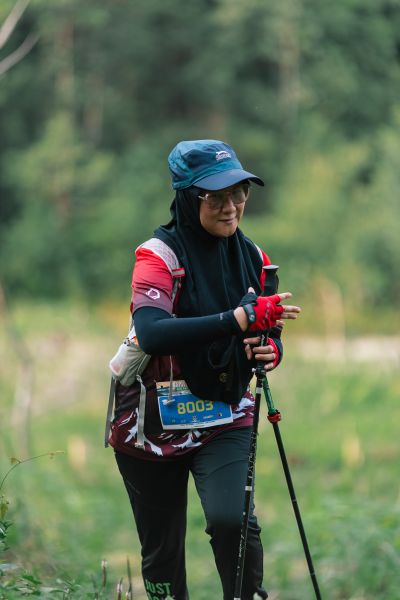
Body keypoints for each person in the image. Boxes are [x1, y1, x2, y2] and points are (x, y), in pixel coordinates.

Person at [107, 139, 301, 600]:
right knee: (162, 551)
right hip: (149, 421)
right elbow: (151, 332)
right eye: (216, 197)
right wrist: (237, 319)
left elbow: (266, 330)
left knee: (233, 521)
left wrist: (271, 350)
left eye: (239, 193)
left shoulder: (252, 256)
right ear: (188, 198)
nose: (231, 206)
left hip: (225, 412)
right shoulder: (158, 256)